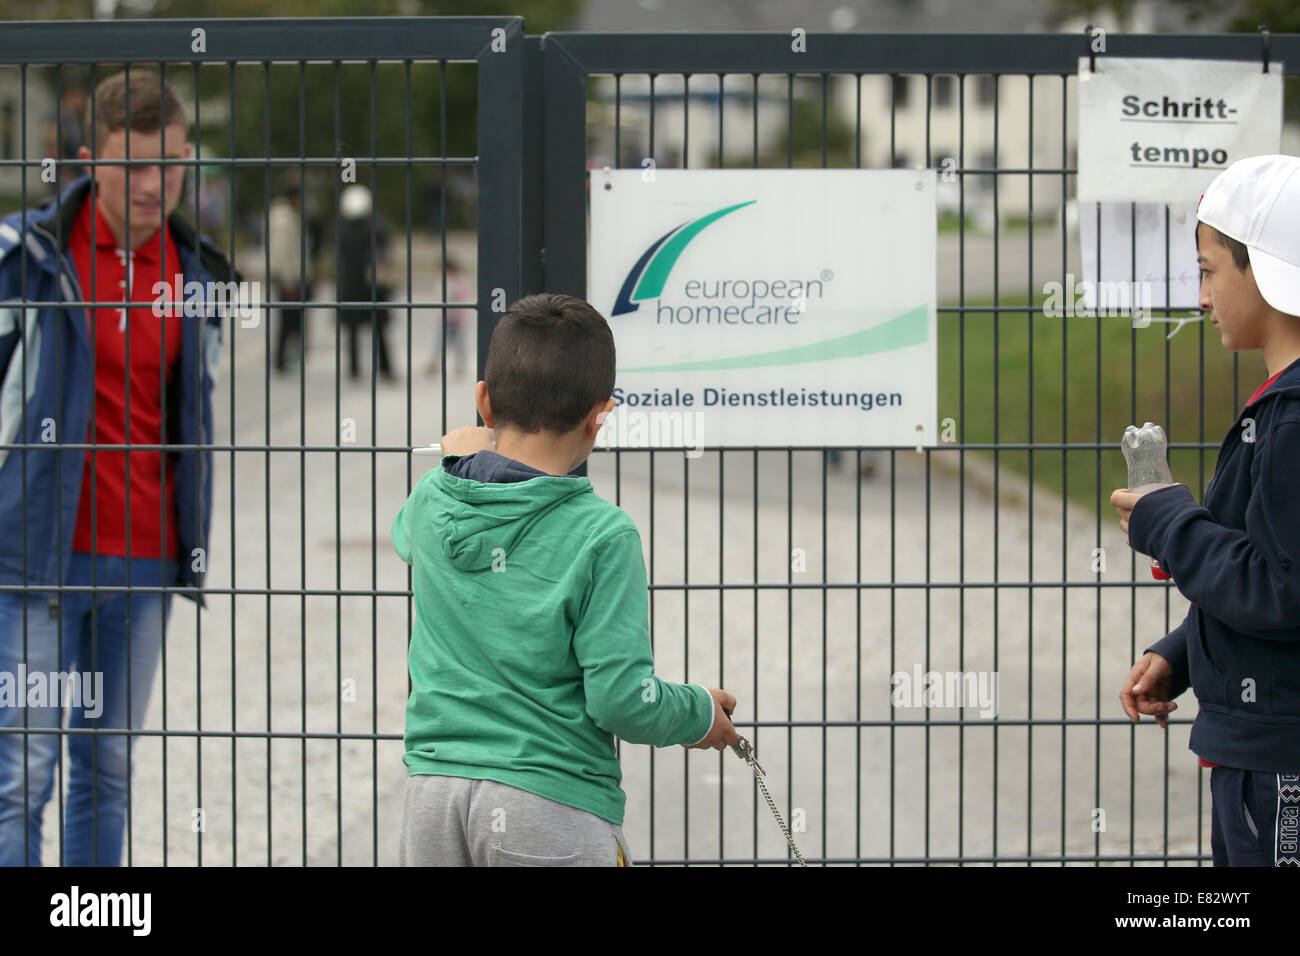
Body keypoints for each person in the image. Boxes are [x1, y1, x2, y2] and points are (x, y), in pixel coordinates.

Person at [393, 293, 740, 866]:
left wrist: (458, 462)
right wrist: (698, 712)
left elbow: (404, 534)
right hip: (548, 806)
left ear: (483, 399)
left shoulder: (432, 498)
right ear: (600, 414)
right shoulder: (603, 536)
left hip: (433, 794)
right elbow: (620, 701)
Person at [0, 70, 229, 866]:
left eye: (167, 164)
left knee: (107, 768)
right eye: (131, 165)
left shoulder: (196, 272)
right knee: (22, 775)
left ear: (186, 156)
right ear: (90, 159)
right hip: (36, 557)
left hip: (142, 564)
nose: (151, 185)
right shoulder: (28, 258)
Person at [1112, 154, 1300, 867]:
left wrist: (1170, 522)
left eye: (1209, 270)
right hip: (1258, 739)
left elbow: (1281, 589)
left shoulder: (1293, 421)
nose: (1199, 296)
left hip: (1279, 759)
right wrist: (1185, 652)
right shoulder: (1278, 409)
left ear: (1268, 269)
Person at [336, 183, 394, 383]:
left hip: (352, 287)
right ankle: (385, 368)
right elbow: (386, 258)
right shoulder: (377, 228)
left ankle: (354, 369)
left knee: (352, 331)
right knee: (379, 330)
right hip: (374, 288)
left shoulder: (343, 231)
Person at [268, 177, 308, 372]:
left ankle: (284, 357)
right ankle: (282, 359)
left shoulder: (285, 215)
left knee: (290, 320)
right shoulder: (284, 219)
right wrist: (288, 281)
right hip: (288, 279)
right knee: (288, 320)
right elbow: (282, 251)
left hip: (289, 277)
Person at [427, 256, 472, 379]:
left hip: (456, 317)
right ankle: (436, 363)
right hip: (448, 316)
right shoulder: (450, 279)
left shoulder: (456, 280)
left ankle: (458, 365)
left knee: (457, 342)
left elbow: (454, 297)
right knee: (442, 341)